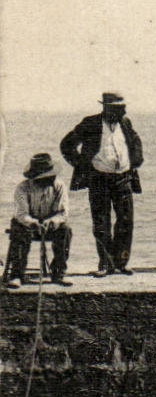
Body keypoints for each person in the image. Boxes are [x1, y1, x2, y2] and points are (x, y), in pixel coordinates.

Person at [59, 91, 143, 276]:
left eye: (124, 107)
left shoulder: (126, 123)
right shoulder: (90, 123)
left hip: (123, 178)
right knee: (101, 222)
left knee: (126, 221)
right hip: (99, 179)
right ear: (107, 108)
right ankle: (105, 264)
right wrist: (82, 166)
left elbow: (136, 142)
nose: (124, 111)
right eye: (119, 108)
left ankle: (121, 262)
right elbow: (66, 145)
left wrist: (135, 161)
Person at [4, 154, 73, 288]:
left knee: (66, 230)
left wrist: (52, 221)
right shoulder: (23, 188)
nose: (51, 178)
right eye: (47, 176)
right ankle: (16, 275)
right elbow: (21, 214)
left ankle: (58, 273)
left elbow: (63, 213)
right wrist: (33, 223)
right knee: (19, 230)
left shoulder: (59, 186)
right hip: (27, 225)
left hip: (49, 226)